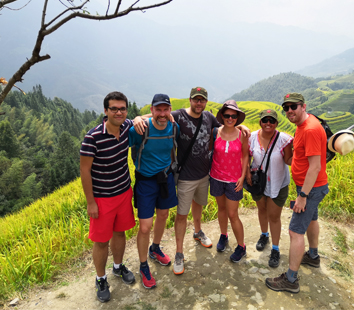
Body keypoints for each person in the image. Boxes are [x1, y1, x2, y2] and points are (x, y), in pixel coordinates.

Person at [134, 87, 250, 275]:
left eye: (202, 100)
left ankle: (198, 231)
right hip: (186, 177)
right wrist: (138, 119)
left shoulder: (209, 117)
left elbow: (226, 126)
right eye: (195, 100)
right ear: (190, 100)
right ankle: (179, 253)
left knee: (199, 205)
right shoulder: (178, 116)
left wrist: (241, 127)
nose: (199, 103)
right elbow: (159, 115)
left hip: (205, 175)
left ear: (205, 102)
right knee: (181, 215)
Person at [266, 93, 329, 293]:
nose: (290, 111)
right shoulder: (305, 124)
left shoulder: (310, 129)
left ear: (303, 106)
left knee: (295, 231)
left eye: (294, 106)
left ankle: (291, 280)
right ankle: (313, 255)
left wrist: (303, 196)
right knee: (312, 219)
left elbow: (314, 167)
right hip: (312, 186)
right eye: (286, 107)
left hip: (309, 188)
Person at [80, 91, 136, 303]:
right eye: (114, 108)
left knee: (120, 233)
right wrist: (90, 202)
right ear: (105, 111)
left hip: (123, 192)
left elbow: (144, 118)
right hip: (102, 198)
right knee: (101, 240)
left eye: (122, 108)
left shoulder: (126, 127)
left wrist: (166, 115)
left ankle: (118, 267)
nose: (118, 112)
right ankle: (101, 278)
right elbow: (85, 171)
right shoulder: (92, 138)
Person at [129, 93, 179, 288]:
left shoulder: (174, 127)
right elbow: (118, 128)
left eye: (166, 109)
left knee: (164, 215)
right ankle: (143, 265)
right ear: (151, 110)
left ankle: (155, 248)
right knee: (144, 226)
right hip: (145, 181)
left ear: (170, 110)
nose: (162, 113)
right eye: (158, 109)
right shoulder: (140, 129)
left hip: (165, 178)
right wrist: (137, 118)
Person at [246, 109, 293, 268]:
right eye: (265, 120)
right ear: (260, 122)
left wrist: (304, 154)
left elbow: (288, 160)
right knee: (261, 209)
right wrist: (246, 172)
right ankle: (264, 235)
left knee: (274, 216)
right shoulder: (251, 137)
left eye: (271, 121)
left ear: (276, 123)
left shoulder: (284, 139)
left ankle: (275, 248)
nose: (268, 123)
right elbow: (246, 157)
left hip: (278, 183)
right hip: (258, 183)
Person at [210, 100, 249, 263]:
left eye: (233, 116)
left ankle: (241, 246)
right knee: (221, 209)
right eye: (227, 115)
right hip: (216, 177)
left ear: (237, 117)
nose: (230, 118)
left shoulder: (242, 135)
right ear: (222, 116)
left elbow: (246, 155)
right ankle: (224, 236)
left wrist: (243, 176)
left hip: (234, 180)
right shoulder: (215, 132)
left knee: (233, 214)